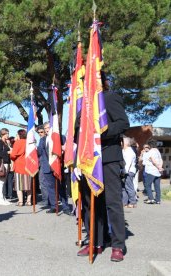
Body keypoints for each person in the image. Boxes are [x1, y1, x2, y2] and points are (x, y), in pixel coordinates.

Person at [76, 72, 130, 262]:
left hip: (108, 158)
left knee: (112, 203)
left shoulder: (110, 97)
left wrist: (101, 132)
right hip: (88, 161)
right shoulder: (83, 105)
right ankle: (95, 242)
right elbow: (78, 132)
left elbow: (123, 123)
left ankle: (117, 245)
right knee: (91, 204)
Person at [10, 129, 31, 206]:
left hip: (19, 165)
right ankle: (29, 201)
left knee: (19, 185)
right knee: (28, 184)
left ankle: (21, 201)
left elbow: (13, 155)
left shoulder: (17, 142)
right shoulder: (29, 142)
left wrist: (11, 155)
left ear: (19, 135)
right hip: (28, 165)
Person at [142, 139, 163, 204]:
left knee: (147, 185)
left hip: (151, 171)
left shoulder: (151, 152)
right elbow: (161, 160)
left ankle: (151, 199)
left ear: (149, 145)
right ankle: (158, 200)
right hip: (157, 172)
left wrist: (159, 167)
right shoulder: (157, 151)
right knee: (157, 186)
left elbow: (153, 161)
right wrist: (160, 168)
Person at [0, 128, 12, 205]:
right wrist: (8, 152)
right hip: (2, 163)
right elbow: (0, 153)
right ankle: (0, 199)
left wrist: (8, 145)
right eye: (7, 133)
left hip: (7, 162)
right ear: (3, 134)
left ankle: (4, 198)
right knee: (1, 181)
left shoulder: (6, 142)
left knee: (4, 181)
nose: (8, 135)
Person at [122, 136, 137, 208]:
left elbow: (128, 163)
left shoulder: (129, 151)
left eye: (122, 142)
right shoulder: (124, 150)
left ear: (126, 143)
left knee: (129, 187)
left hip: (129, 171)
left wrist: (124, 172)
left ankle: (132, 202)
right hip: (125, 171)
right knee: (123, 187)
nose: (121, 143)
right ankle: (124, 202)